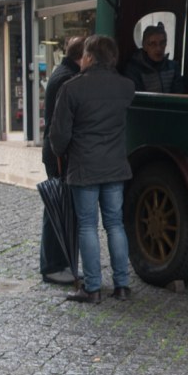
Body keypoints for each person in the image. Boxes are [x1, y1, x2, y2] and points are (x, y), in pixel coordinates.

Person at [50, 35, 136, 303]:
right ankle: (122, 285)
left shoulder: (73, 88)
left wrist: (59, 153)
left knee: (88, 226)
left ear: (88, 57)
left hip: (84, 167)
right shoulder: (126, 87)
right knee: (115, 224)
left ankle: (93, 288)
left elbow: (59, 135)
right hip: (115, 166)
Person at [39, 36, 85, 285]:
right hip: (59, 153)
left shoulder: (65, 74)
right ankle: (53, 265)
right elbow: (61, 125)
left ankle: (60, 262)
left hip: (59, 151)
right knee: (57, 206)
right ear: (84, 56)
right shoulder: (66, 79)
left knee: (61, 206)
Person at [124, 23, 184, 93]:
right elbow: (138, 97)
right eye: (153, 44)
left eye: (162, 43)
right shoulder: (134, 70)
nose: (159, 49)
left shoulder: (173, 67)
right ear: (145, 46)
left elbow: (179, 94)